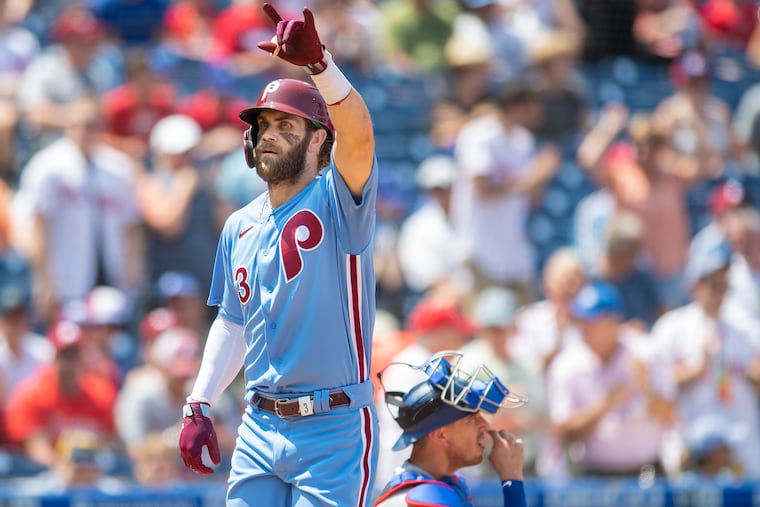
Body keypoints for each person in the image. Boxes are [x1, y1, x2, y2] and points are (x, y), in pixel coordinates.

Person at [177, 3, 381, 506]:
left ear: (319, 141)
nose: (269, 133)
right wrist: (200, 401)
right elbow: (232, 322)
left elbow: (359, 136)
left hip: (333, 425)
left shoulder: (339, 200)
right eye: (263, 125)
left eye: (286, 126)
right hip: (258, 423)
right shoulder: (238, 225)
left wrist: (320, 66)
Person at [373, 351, 528, 507]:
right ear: (441, 435)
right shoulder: (424, 497)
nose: (485, 426)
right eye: (472, 419)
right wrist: (512, 479)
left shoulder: (443, 483)